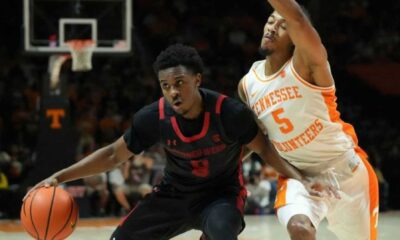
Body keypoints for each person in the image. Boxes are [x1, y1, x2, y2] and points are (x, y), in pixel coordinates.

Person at [25, 43, 309, 240]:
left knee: (223, 232)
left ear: (197, 79)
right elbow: (113, 155)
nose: (173, 92)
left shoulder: (230, 113)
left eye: (179, 83)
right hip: (173, 195)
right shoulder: (153, 117)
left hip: (221, 196)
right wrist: (59, 177)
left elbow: (266, 151)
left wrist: (302, 180)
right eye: (166, 86)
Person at [238, 1, 379, 240]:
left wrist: (292, 19)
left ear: (295, 36)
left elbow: (299, 20)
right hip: (298, 176)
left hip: (347, 172)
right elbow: (254, 138)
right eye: (270, 21)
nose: (272, 27)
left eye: (282, 25)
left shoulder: (308, 64)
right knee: (300, 228)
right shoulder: (247, 84)